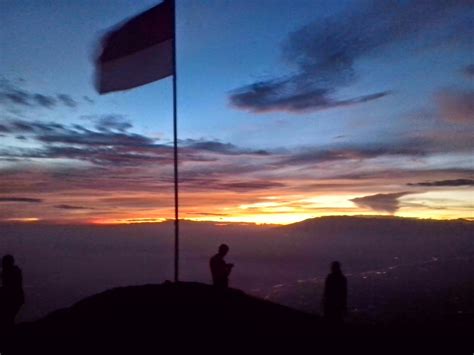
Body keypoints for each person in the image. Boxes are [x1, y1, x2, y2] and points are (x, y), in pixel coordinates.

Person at [0, 255, 25, 333]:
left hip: (13, 298)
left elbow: (8, 288)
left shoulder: (9, 272)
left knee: (7, 318)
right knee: (8, 318)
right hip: (16, 298)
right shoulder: (14, 271)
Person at [322, 261, 347, 325]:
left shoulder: (330, 277)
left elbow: (326, 291)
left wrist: (324, 300)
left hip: (330, 303)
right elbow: (344, 293)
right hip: (337, 303)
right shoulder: (342, 278)